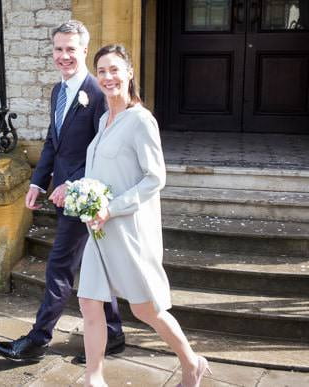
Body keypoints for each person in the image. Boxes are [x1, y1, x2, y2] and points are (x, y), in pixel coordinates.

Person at [77, 44, 211, 387]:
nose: (108, 77)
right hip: (98, 230)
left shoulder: (140, 120)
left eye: (114, 69)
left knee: (145, 310)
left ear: (129, 73)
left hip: (126, 230)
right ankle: (94, 377)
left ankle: (191, 362)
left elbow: (155, 178)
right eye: (102, 71)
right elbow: (105, 173)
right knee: (89, 302)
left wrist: (112, 208)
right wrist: (75, 191)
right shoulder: (105, 120)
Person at [0, 20, 124, 363]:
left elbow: (104, 150)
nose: (63, 56)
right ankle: (114, 335)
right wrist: (39, 181)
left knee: (59, 267)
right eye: (58, 49)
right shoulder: (58, 91)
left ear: (84, 50)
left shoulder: (97, 95)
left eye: (71, 49)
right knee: (95, 268)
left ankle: (38, 340)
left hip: (84, 196)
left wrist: (74, 183)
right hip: (62, 193)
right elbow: (54, 141)